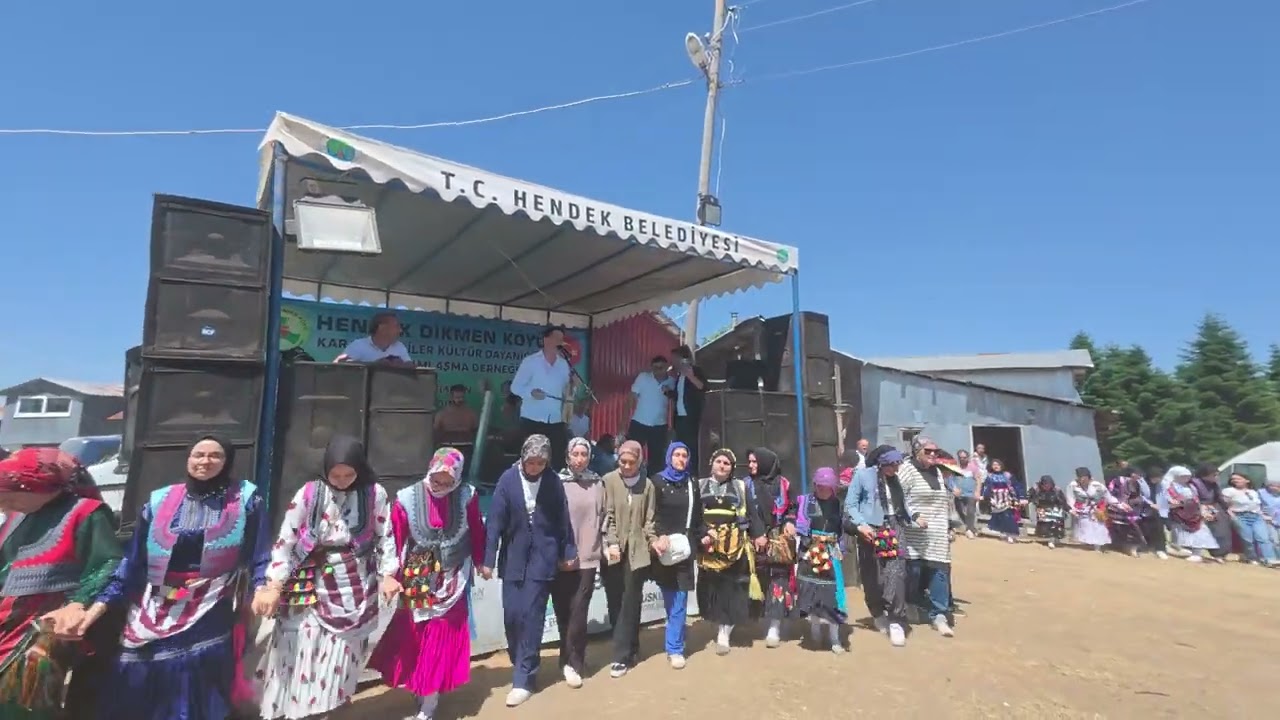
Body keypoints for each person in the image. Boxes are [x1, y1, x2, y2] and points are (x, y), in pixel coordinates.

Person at [90, 435, 271, 720]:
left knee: (196, 666)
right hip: (157, 599)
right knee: (136, 662)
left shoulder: (247, 499)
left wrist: (262, 587)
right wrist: (100, 605)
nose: (205, 461)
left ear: (228, 462)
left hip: (213, 599)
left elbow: (260, 551)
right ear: (188, 459)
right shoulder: (159, 500)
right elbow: (135, 559)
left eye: (215, 455)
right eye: (198, 454)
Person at [253, 435, 399, 720]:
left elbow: (385, 536)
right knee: (301, 651)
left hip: (356, 586)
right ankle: (297, 711)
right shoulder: (309, 494)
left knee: (341, 655)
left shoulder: (374, 495)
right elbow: (286, 540)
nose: (342, 480)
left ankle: (329, 706)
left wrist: (388, 574)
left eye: (349, 474)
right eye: (336, 474)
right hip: (309, 584)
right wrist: (274, 584)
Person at [0, 448, 122, 720]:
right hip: (8, 617)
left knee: (23, 697)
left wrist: (79, 602)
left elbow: (108, 563)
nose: (4, 507)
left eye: (8, 498)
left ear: (37, 487)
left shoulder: (87, 513)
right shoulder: (17, 516)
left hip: (45, 624)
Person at [367, 447, 484, 720]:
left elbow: (477, 528)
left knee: (439, 637)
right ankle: (422, 690)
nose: (440, 486)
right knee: (417, 635)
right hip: (417, 576)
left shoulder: (467, 496)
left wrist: (481, 560)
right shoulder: (407, 499)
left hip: (453, 576)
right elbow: (395, 539)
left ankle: (429, 704)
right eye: (436, 479)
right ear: (429, 471)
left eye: (448, 482)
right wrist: (390, 576)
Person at [481, 435, 577, 707]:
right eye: (531, 462)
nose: (535, 467)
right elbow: (495, 523)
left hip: (542, 560)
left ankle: (524, 678)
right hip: (513, 559)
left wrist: (567, 550)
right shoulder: (507, 480)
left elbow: (562, 519)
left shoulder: (553, 481)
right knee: (512, 617)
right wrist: (488, 558)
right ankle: (520, 659)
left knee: (532, 618)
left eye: (541, 463)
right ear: (522, 458)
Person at [694, 448, 763, 656]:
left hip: (734, 547)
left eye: (727, 463)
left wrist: (758, 534)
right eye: (719, 462)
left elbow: (751, 512)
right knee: (712, 588)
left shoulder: (740, 487)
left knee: (731, 588)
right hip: (708, 546)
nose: (722, 466)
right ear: (711, 463)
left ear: (732, 468)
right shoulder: (700, 486)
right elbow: (695, 517)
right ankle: (718, 622)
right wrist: (703, 534)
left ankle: (724, 631)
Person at [552, 438, 606, 689]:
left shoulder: (597, 483)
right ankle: (565, 659)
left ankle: (575, 662)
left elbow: (605, 516)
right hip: (563, 558)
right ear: (567, 456)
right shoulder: (556, 483)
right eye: (575, 453)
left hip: (588, 557)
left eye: (584, 454)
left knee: (579, 611)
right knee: (564, 610)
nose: (580, 458)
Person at [600, 440, 657, 679]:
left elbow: (649, 518)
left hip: (638, 552)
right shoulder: (609, 481)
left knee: (631, 602)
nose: (626, 466)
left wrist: (651, 540)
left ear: (639, 462)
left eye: (631, 462)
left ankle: (623, 655)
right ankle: (627, 647)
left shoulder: (648, 485)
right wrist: (612, 542)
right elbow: (607, 513)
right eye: (622, 461)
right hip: (613, 551)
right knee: (616, 602)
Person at [844, 446, 910, 648]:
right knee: (871, 573)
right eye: (892, 465)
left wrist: (913, 516)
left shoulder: (895, 480)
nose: (896, 469)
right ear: (882, 463)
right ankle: (877, 611)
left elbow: (902, 505)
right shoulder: (863, 476)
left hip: (893, 527)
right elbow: (850, 504)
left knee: (896, 571)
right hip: (870, 528)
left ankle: (896, 619)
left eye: (897, 465)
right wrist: (861, 524)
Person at [648, 442, 701, 668]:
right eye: (677, 455)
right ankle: (676, 633)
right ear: (669, 457)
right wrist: (658, 537)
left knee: (680, 598)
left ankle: (675, 648)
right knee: (670, 596)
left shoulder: (692, 483)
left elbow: (698, 517)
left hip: (684, 549)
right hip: (662, 548)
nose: (681, 459)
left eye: (684, 455)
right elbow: (651, 514)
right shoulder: (656, 482)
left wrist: (704, 534)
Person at [897, 436, 955, 637]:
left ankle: (939, 615)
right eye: (927, 451)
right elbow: (898, 496)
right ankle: (911, 606)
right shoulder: (907, 469)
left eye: (935, 452)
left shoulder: (938, 472)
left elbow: (943, 502)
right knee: (913, 573)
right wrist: (913, 515)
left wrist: (950, 525)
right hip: (914, 532)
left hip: (937, 532)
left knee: (939, 572)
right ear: (916, 451)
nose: (932, 455)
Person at [794, 467, 849, 654]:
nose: (824, 490)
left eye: (828, 486)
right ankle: (815, 632)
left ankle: (835, 638)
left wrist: (841, 548)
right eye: (820, 486)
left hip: (831, 552)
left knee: (833, 596)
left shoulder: (838, 505)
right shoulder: (805, 501)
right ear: (815, 485)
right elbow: (798, 526)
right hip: (810, 552)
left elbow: (841, 530)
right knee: (812, 595)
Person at [747, 447, 798, 647]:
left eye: (754, 462)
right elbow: (746, 512)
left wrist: (790, 521)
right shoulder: (746, 485)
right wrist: (757, 533)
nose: (750, 465)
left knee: (779, 581)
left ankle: (774, 627)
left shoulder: (784, 484)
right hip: (754, 539)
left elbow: (791, 507)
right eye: (749, 461)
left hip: (778, 542)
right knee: (756, 580)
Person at [511, 326, 574, 471]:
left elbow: (567, 392)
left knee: (558, 459)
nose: (559, 342)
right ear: (546, 340)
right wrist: (531, 392)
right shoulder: (531, 361)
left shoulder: (564, 364)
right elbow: (515, 387)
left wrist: (573, 386)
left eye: (561, 339)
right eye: (556, 338)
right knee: (531, 458)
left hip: (556, 419)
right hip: (532, 418)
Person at [624, 355, 674, 477]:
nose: (658, 370)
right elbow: (631, 399)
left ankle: (654, 486)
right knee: (631, 454)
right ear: (651, 368)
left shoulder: (672, 382)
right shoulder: (643, 378)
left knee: (657, 460)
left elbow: (675, 404)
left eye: (661, 367)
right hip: (639, 422)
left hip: (659, 425)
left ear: (667, 367)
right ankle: (629, 480)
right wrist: (623, 422)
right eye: (655, 368)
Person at [1164, 465, 1220, 563]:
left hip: (1194, 512)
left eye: (1187, 476)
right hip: (1179, 513)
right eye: (1183, 476)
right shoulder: (1169, 486)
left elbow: (1197, 499)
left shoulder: (1191, 486)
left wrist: (1204, 511)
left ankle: (1197, 553)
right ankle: (1183, 549)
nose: (1186, 478)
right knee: (1181, 534)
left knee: (1200, 532)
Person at [1222, 472, 1277, 566]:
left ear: (1247, 480)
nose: (1235, 480)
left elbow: (1256, 506)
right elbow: (1223, 505)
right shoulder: (1229, 491)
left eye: (1238, 478)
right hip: (1240, 516)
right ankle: (1252, 558)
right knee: (1248, 539)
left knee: (1263, 538)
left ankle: (1270, 559)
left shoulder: (1253, 492)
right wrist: (1231, 515)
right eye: (1233, 479)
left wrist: (1264, 516)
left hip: (1256, 517)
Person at [667, 345, 707, 470]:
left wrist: (690, 375)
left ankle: (693, 473)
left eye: (675, 358)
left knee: (691, 448)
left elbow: (703, 387)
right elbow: (680, 395)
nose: (673, 361)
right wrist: (667, 392)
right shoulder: (679, 376)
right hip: (679, 417)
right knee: (680, 446)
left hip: (691, 417)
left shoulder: (695, 370)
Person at [335, 310, 414, 366]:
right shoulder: (358, 345)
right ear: (382, 328)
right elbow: (339, 363)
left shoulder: (399, 346)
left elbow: (410, 365)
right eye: (396, 326)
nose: (400, 330)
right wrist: (374, 365)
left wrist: (402, 365)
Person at [1190, 464, 1232, 561]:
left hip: (1214, 506)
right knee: (1203, 529)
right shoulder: (1195, 483)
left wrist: (1227, 508)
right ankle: (1197, 552)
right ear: (1204, 475)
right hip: (1199, 506)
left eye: (1217, 475)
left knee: (1222, 529)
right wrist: (1201, 509)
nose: (1217, 477)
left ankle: (1220, 554)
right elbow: (1194, 498)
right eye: (1214, 475)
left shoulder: (1214, 484)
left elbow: (1219, 497)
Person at [1106, 467, 1151, 557]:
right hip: (1117, 508)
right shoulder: (1119, 481)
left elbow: (1138, 496)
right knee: (1119, 528)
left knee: (1133, 528)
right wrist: (1120, 504)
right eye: (1137, 475)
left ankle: (1131, 547)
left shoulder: (1137, 484)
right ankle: (1118, 545)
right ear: (1132, 474)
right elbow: (1110, 493)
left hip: (1131, 510)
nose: (1139, 477)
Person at [1066, 467, 1112, 551]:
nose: (1082, 479)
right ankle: (1089, 545)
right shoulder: (1072, 485)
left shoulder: (1098, 485)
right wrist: (1072, 509)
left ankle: (1097, 546)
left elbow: (1107, 496)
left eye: (1084, 477)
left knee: (1098, 528)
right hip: (1082, 510)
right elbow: (1070, 498)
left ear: (1088, 476)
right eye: (1080, 477)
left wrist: (1119, 504)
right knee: (1086, 528)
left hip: (1097, 510)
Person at [980, 459, 1023, 544]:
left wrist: (1021, 497)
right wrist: (984, 495)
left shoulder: (1007, 475)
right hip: (996, 499)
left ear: (1001, 465)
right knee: (999, 517)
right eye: (994, 465)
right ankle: (1004, 533)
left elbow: (1016, 486)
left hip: (1007, 498)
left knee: (1009, 517)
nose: (996, 466)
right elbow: (986, 487)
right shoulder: (990, 476)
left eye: (998, 464)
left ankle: (1011, 534)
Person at [1029, 475, 1068, 548]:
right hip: (1042, 508)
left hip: (1055, 508)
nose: (1047, 486)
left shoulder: (1057, 490)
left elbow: (1063, 501)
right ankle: (1049, 539)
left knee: (1056, 524)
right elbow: (1029, 496)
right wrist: (1025, 500)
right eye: (1045, 485)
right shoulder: (1036, 488)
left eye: (1049, 485)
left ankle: (1053, 539)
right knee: (1045, 525)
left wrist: (1068, 509)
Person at [953, 450, 981, 538]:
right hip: (959, 494)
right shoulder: (955, 467)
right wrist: (954, 488)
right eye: (960, 458)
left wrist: (977, 492)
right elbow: (950, 479)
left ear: (967, 458)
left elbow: (978, 480)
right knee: (959, 510)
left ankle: (969, 529)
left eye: (964, 457)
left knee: (970, 511)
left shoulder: (973, 467)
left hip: (970, 494)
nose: (962, 459)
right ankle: (971, 526)